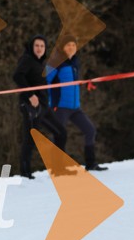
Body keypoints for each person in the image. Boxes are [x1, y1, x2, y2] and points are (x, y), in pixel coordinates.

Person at [46, 36, 107, 171]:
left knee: (90, 130)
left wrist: (86, 84)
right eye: (68, 45)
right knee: (60, 135)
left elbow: (72, 83)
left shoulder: (74, 62)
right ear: (62, 47)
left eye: (73, 45)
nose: (71, 48)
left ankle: (91, 163)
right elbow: (44, 81)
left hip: (74, 107)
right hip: (60, 107)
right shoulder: (55, 62)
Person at [12, 35, 67, 178]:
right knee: (31, 138)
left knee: (61, 132)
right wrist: (30, 95)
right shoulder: (27, 59)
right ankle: (25, 173)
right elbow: (17, 76)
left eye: (42, 46)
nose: (39, 48)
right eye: (37, 45)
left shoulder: (40, 63)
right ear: (32, 47)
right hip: (30, 105)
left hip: (43, 106)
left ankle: (57, 168)